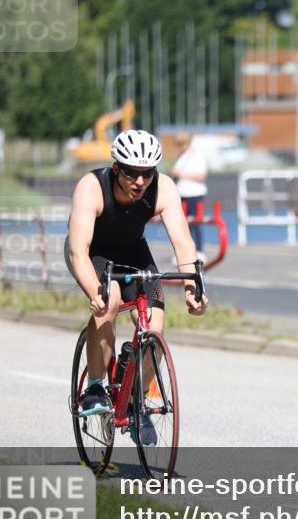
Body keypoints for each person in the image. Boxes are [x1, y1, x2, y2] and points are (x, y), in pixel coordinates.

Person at [65, 129, 208, 445]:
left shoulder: (163, 188)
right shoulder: (91, 187)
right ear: (116, 168)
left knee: (154, 326)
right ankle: (96, 386)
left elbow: (183, 243)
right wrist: (95, 291)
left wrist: (191, 287)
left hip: (133, 252)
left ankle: (135, 402)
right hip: (93, 253)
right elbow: (78, 251)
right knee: (110, 301)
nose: (140, 181)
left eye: (147, 173)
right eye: (131, 172)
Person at [169, 132, 209, 261]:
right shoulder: (182, 156)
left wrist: (181, 174)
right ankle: (185, 252)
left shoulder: (197, 156)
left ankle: (199, 252)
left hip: (194, 194)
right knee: (183, 225)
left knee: (195, 223)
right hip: (182, 194)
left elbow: (201, 175)